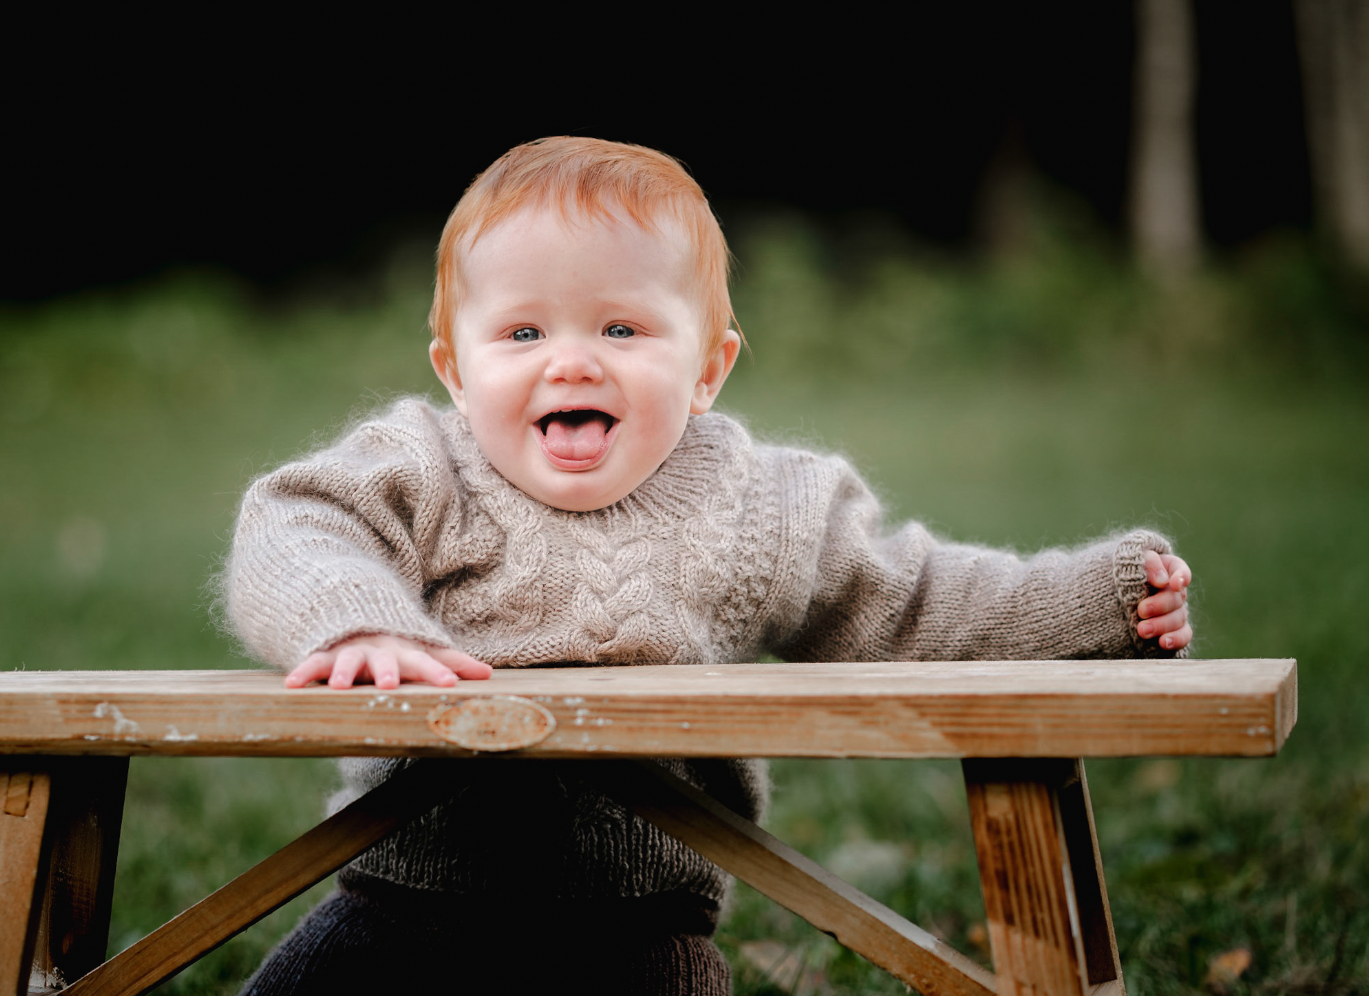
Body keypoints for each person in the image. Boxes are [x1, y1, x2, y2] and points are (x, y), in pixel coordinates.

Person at [222, 136, 1192, 995]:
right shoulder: (424, 465)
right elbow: (296, 519)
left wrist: (1099, 601)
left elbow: (911, 600)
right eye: (522, 333)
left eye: (620, 329)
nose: (570, 362)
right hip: (400, 906)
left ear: (707, 370)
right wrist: (355, 618)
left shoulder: (759, 503)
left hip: (638, 931)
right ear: (455, 369)